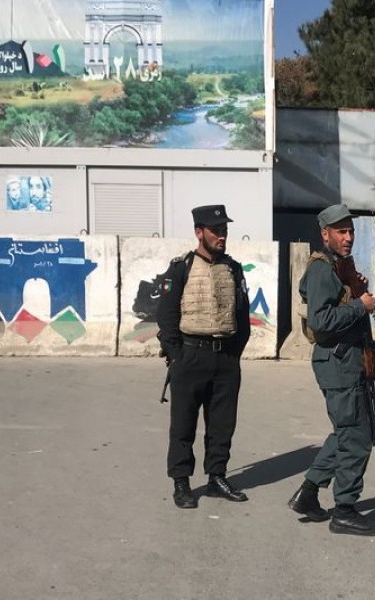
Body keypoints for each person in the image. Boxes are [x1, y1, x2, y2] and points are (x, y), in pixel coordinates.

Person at [288, 204, 375, 536]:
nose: (348, 237)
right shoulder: (321, 269)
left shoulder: (338, 268)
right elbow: (321, 320)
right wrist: (361, 305)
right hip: (338, 364)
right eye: (341, 232)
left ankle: (309, 492)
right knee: (357, 438)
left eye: (351, 231)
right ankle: (344, 509)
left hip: (349, 361)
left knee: (347, 430)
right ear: (324, 234)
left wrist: (354, 294)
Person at [156, 204, 251, 509]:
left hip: (224, 359)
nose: (222, 235)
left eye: (224, 230)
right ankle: (181, 482)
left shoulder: (234, 269)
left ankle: (217, 477)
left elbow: (242, 316)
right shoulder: (181, 267)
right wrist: (176, 355)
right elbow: (167, 315)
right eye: (216, 230)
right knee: (183, 425)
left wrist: (233, 355)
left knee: (222, 424)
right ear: (199, 232)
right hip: (190, 356)